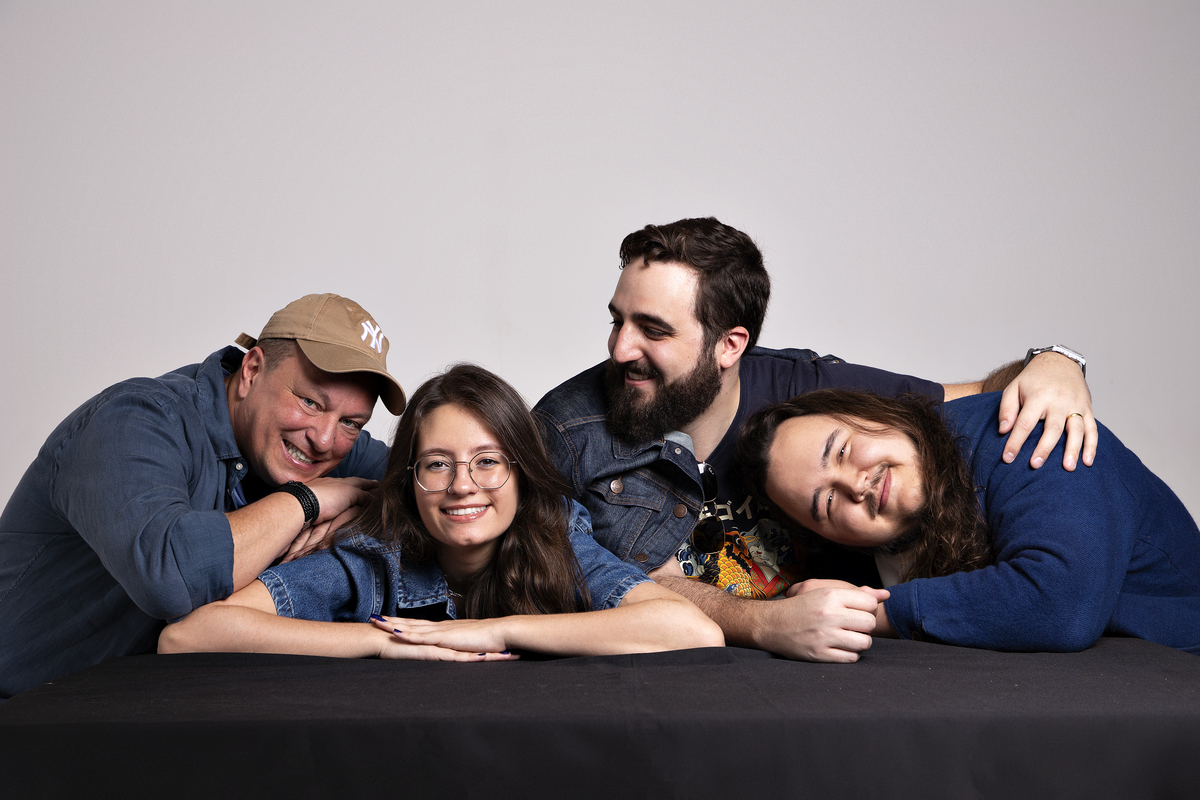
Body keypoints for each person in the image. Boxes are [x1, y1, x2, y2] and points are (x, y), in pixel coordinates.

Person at [532, 217, 1097, 662]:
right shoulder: (565, 431)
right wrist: (762, 623)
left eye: (653, 330)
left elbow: (974, 402)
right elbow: (601, 580)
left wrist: (1056, 363)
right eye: (618, 320)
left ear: (730, 346)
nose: (620, 349)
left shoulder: (807, 393)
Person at [158, 364, 723, 658]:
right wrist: (383, 643)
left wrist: (493, 632)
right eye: (437, 464)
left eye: (488, 462)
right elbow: (188, 635)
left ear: (521, 473)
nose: (463, 487)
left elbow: (690, 629)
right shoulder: (373, 557)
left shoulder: (556, 532)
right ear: (410, 481)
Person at [0, 293, 405, 697]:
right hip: (21, 710)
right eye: (310, 402)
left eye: (351, 423)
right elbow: (171, 579)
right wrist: (308, 501)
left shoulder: (317, 443)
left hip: (140, 713)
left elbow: (425, 489)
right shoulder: (133, 420)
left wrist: (362, 503)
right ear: (251, 370)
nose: (324, 439)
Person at [737, 389, 1200, 656]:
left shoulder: (1029, 433)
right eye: (827, 504)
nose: (855, 485)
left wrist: (870, 614)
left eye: (841, 449)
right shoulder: (871, 550)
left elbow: (1061, 603)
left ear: (871, 413)